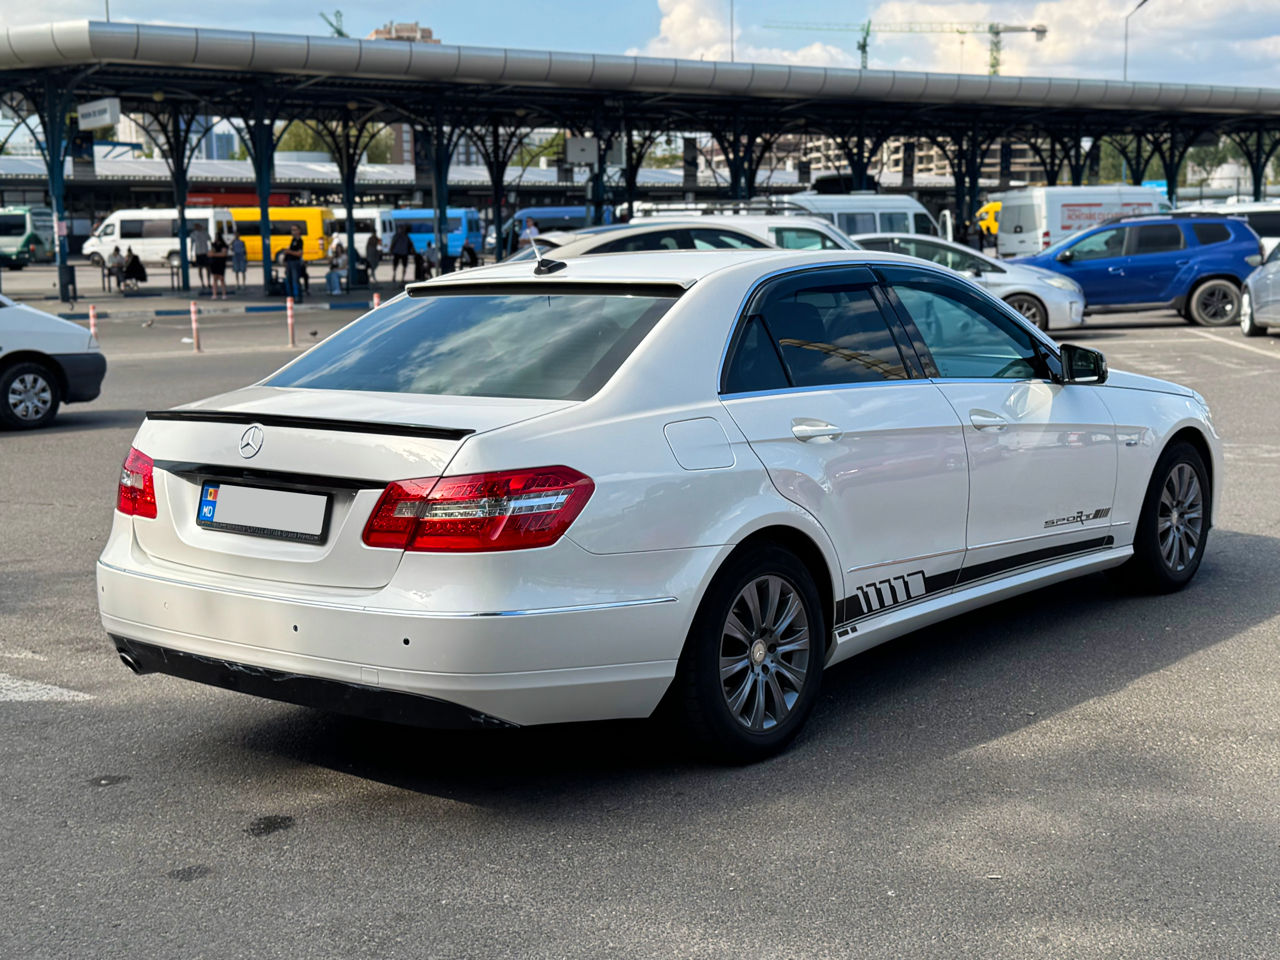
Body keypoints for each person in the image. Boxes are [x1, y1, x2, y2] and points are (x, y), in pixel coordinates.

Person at [282, 224, 304, 302]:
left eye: (295, 230)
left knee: (295, 281)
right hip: (289, 262)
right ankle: (290, 297)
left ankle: (297, 297)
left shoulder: (299, 241)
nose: (293, 232)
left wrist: (289, 251)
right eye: (292, 230)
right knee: (289, 281)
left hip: (295, 263)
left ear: (299, 231)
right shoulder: (293, 240)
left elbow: (299, 253)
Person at [208, 229, 229, 300]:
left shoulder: (224, 245)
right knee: (215, 279)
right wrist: (215, 254)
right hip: (215, 263)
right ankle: (215, 294)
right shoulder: (213, 244)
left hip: (220, 263)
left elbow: (223, 254)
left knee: (221, 278)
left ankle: (224, 294)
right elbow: (210, 253)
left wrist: (214, 254)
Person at [189, 222, 210, 289]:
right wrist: (191, 254)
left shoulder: (205, 233)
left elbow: (209, 239)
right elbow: (192, 243)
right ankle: (202, 283)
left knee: (208, 268)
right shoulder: (193, 234)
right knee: (200, 268)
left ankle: (208, 282)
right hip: (198, 253)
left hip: (205, 252)